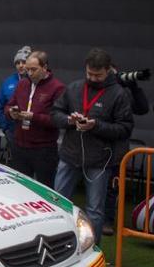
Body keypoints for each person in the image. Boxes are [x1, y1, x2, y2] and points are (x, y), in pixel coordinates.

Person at [52, 48, 133, 244]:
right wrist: (69, 120)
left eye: (98, 75)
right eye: (89, 73)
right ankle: (58, 244)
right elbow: (55, 113)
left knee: (94, 210)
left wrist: (96, 126)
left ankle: (92, 249)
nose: (93, 78)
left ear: (108, 71)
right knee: (58, 203)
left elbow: (125, 128)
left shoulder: (118, 94)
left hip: (99, 160)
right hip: (70, 155)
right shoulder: (74, 88)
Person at [5, 51, 65, 188]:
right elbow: (8, 105)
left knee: (44, 188)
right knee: (20, 187)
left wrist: (34, 117)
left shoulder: (57, 87)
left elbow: (58, 120)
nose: (30, 73)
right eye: (28, 70)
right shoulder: (22, 84)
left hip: (43, 149)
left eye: (34, 69)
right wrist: (11, 112)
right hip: (20, 145)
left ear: (45, 68)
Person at [103, 67, 150, 235]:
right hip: (97, 144)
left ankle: (108, 220)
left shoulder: (124, 93)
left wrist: (133, 87)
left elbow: (143, 108)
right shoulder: (96, 90)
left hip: (118, 146)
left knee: (112, 184)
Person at [0, 46, 31, 156]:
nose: (21, 65)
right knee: (17, 160)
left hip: (32, 130)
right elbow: (0, 105)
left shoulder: (36, 81)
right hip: (12, 130)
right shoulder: (8, 82)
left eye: (24, 62)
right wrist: (5, 128)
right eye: (18, 63)